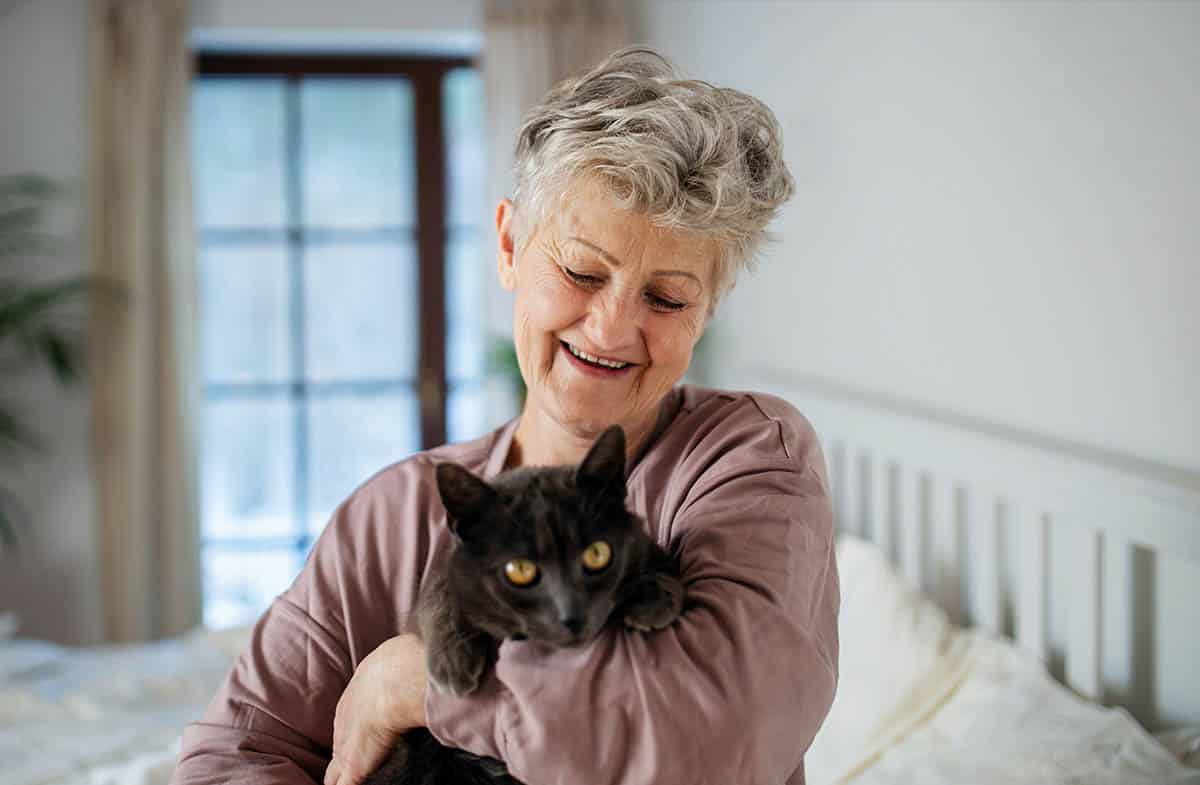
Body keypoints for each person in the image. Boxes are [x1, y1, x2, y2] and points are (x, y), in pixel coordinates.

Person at [171, 45, 839, 785]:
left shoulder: (749, 460)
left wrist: (422, 685)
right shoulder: (392, 516)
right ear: (510, 245)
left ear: (709, 306)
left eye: (667, 297)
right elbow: (232, 753)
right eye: (581, 272)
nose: (612, 329)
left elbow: (715, 741)